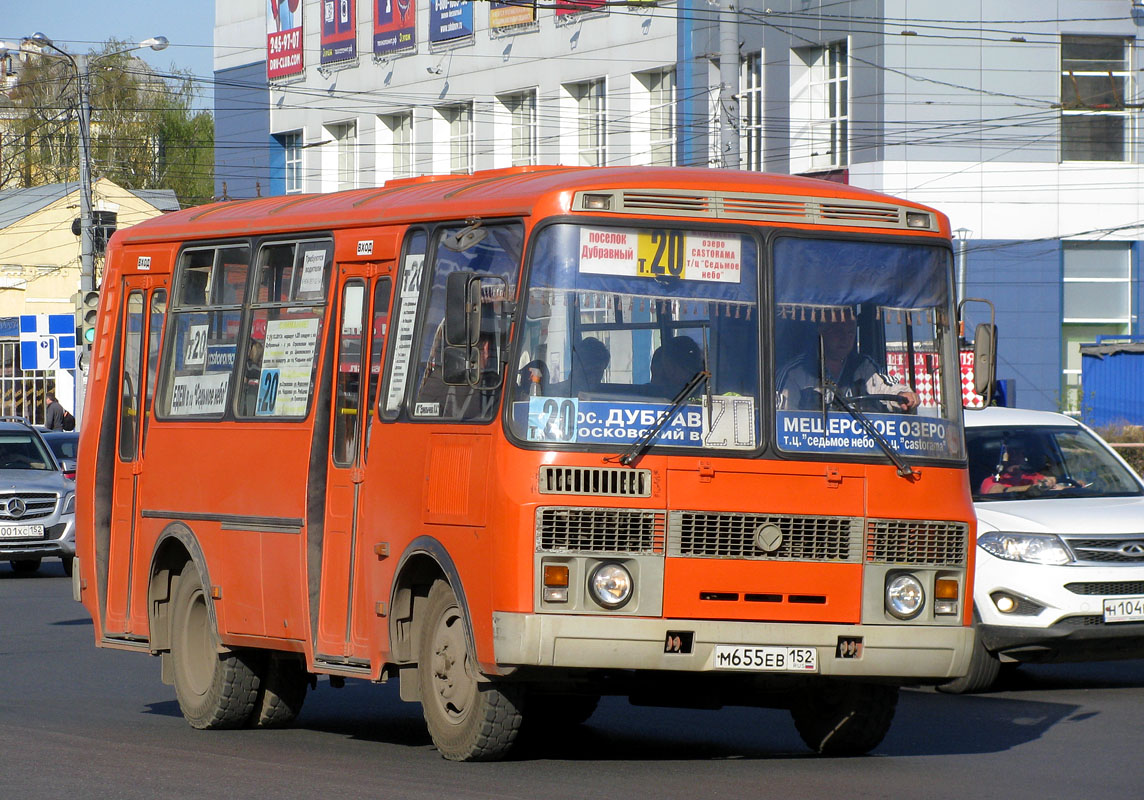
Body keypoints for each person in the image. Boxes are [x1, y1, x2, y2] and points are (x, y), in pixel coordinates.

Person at [777, 316, 918, 412]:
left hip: (854, 451)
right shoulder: (795, 372)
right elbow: (782, 418)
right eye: (838, 332)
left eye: (850, 333)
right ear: (822, 333)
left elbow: (885, 387)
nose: (845, 338)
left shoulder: (863, 366)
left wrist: (903, 394)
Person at [979, 440, 1059, 495]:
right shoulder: (992, 480)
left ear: (1024, 457)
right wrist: (1033, 488)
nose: (1013, 457)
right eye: (1010, 453)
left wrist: (1052, 483)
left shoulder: (1034, 478)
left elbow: (1053, 486)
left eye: (1018, 453)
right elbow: (996, 491)